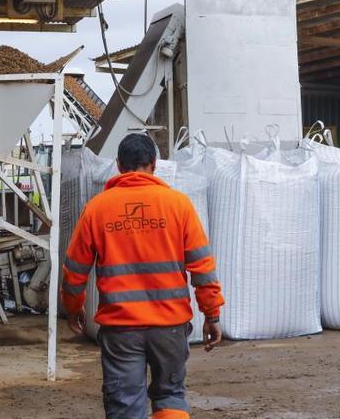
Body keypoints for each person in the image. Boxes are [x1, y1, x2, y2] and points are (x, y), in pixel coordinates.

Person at [62, 133, 225, 419]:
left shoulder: (97, 209)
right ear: (154, 164)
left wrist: (74, 308)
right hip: (170, 326)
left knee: (125, 403)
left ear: (118, 165)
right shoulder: (179, 205)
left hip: (122, 328)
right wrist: (211, 315)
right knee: (170, 396)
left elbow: (75, 271)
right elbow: (202, 267)